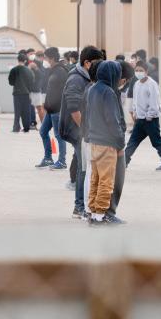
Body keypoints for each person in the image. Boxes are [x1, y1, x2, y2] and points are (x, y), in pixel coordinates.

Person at [59, 45, 105, 219]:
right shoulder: (76, 79)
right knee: (84, 168)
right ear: (87, 63)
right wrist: (85, 131)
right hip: (76, 130)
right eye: (96, 63)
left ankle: (80, 205)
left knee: (81, 165)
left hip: (82, 130)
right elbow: (74, 108)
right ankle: (79, 206)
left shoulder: (86, 77)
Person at [84, 60, 127, 226]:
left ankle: (94, 213)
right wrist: (120, 143)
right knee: (106, 181)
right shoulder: (108, 92)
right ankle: (101, 216)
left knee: (95, 179)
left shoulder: (92, 89)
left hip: (93, 142)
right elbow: (113, 121)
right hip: (107, 142)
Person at [125, 61, 161, 169]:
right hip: (140, 119)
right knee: (132, 142)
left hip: (151, 120)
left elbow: (154, 102)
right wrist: (135, 113)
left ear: (146, 71)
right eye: (136, 70)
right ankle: (124, 162)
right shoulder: (136, 84)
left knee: (156, 141)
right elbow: (136, 101)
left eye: (141, 70)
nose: (138, 72)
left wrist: (149, 115)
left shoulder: (152, 84)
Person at [37, 47, 69, 170]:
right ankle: (48, 158)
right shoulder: (53, 70)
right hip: (50, 109)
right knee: (43, 131)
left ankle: (62, 161)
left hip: (57, 108)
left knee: (58, 135)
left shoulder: (61, 71)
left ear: (51, 58)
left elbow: (64, 91)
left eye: (45, 57)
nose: (44, 60)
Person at [8, 52, 34, 133]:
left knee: (17, 112)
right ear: (25, 60)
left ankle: (16, 128)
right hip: (26, 94)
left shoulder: (13, 70)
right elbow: (32, 82)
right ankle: (26, 128)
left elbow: (11, 82)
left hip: (17, 93)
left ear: (17, 60)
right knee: (26, 111)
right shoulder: (29, 71)